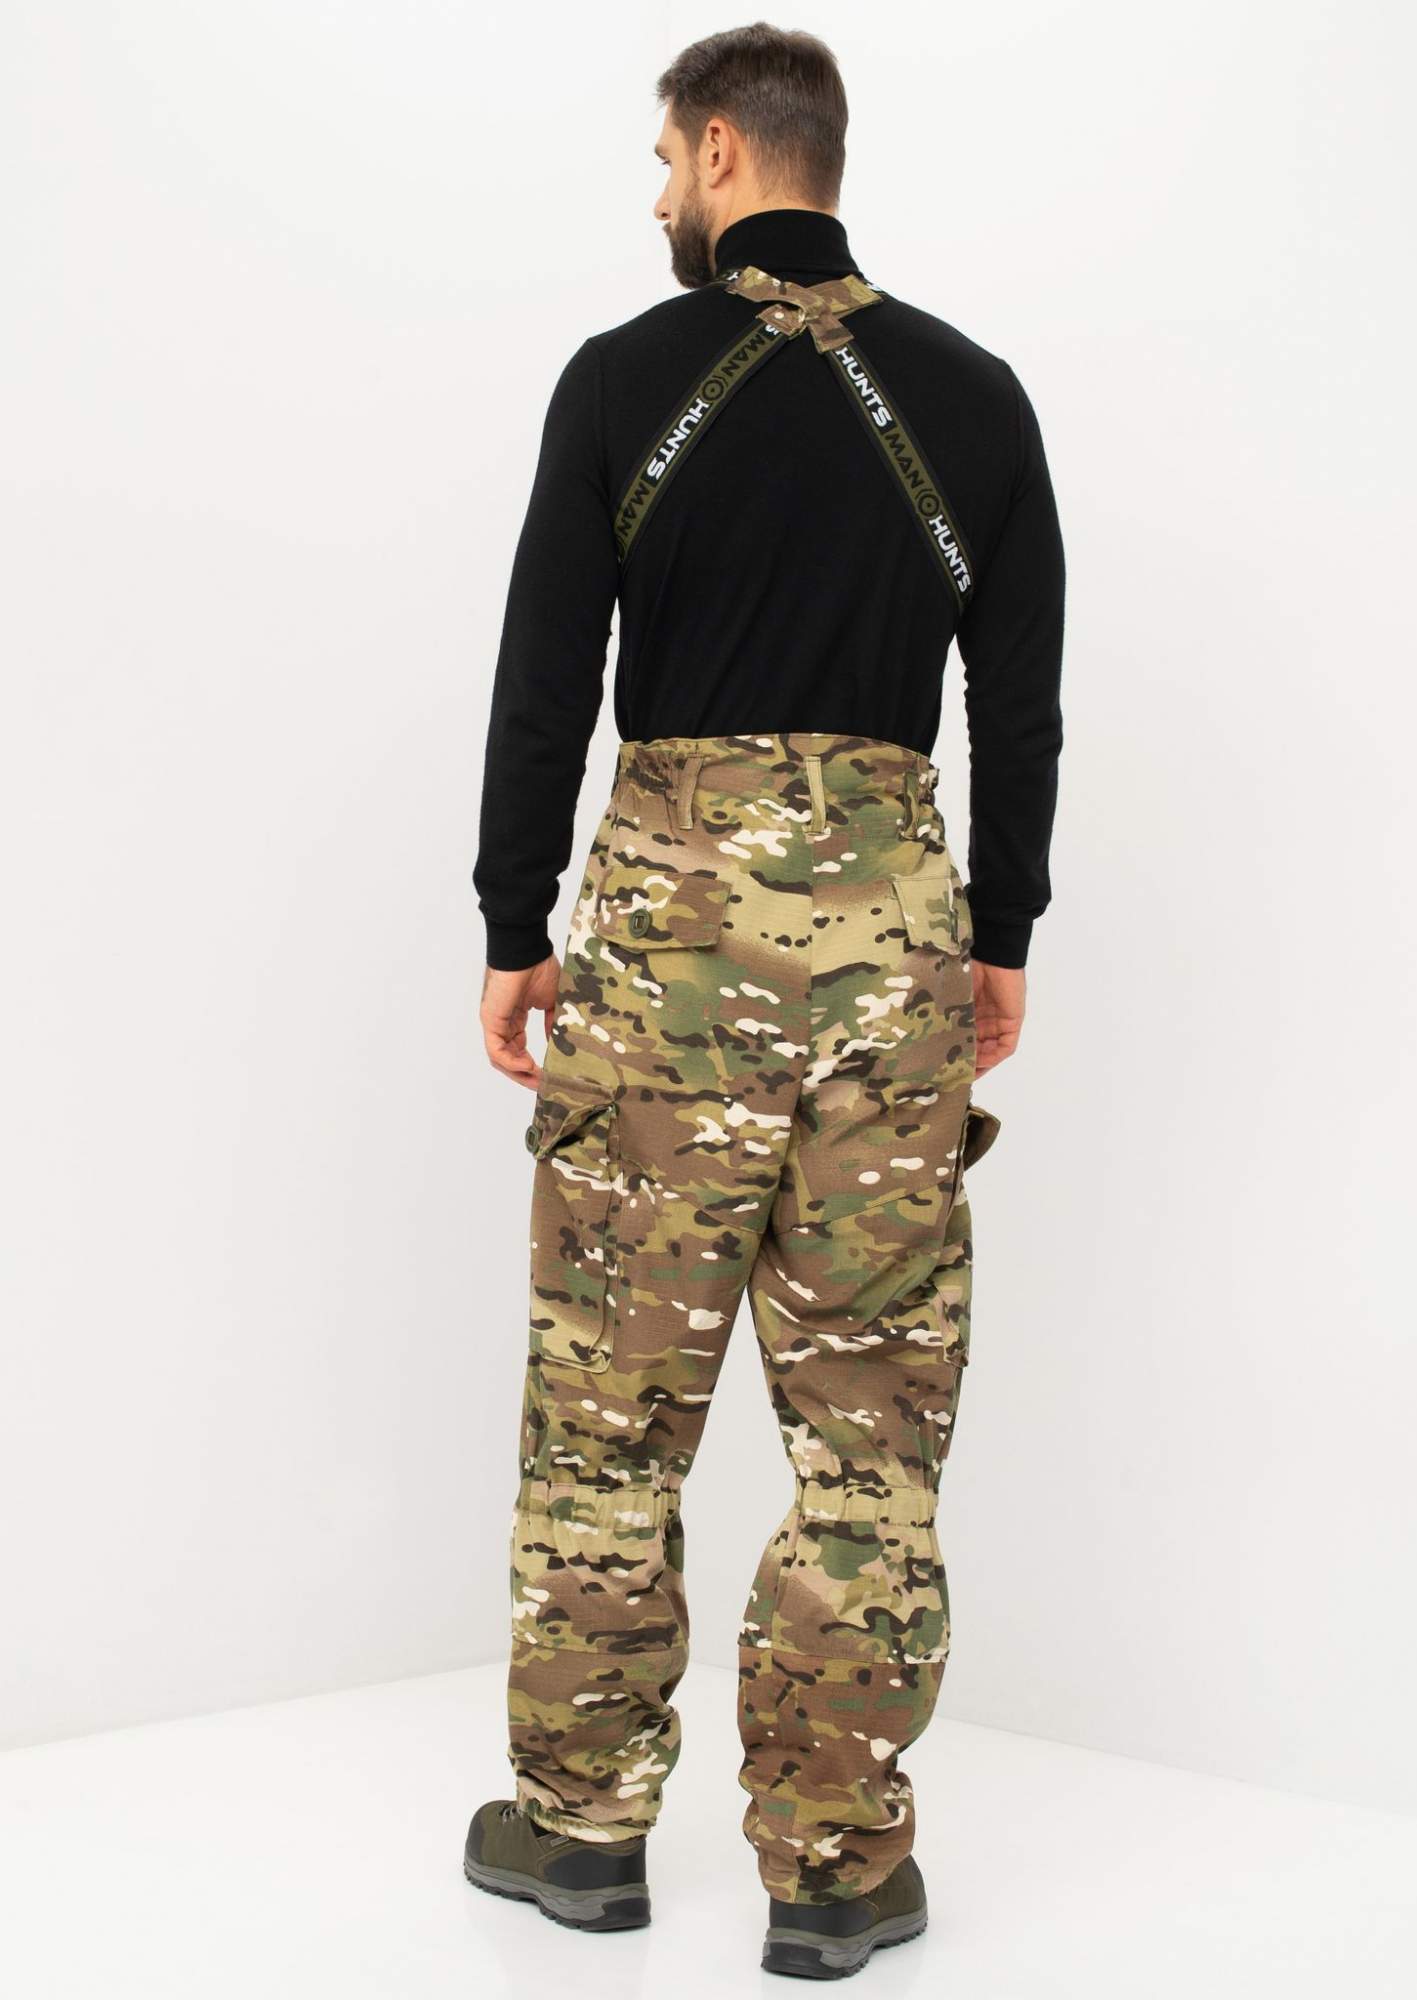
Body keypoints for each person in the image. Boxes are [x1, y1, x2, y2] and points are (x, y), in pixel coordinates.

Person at [463, 21, 1065, 1980]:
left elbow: (546, 672)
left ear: (726, 151)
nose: (658, 193)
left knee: (607, 1410)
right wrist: (1000, 934)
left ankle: (581, 1831)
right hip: (893, 950)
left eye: (665, 158)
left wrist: (513, 919)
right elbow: (1021, 705)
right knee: (869, 1430)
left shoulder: (621, 380)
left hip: (665, 955)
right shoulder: (973, 396)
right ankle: (833, 1863)